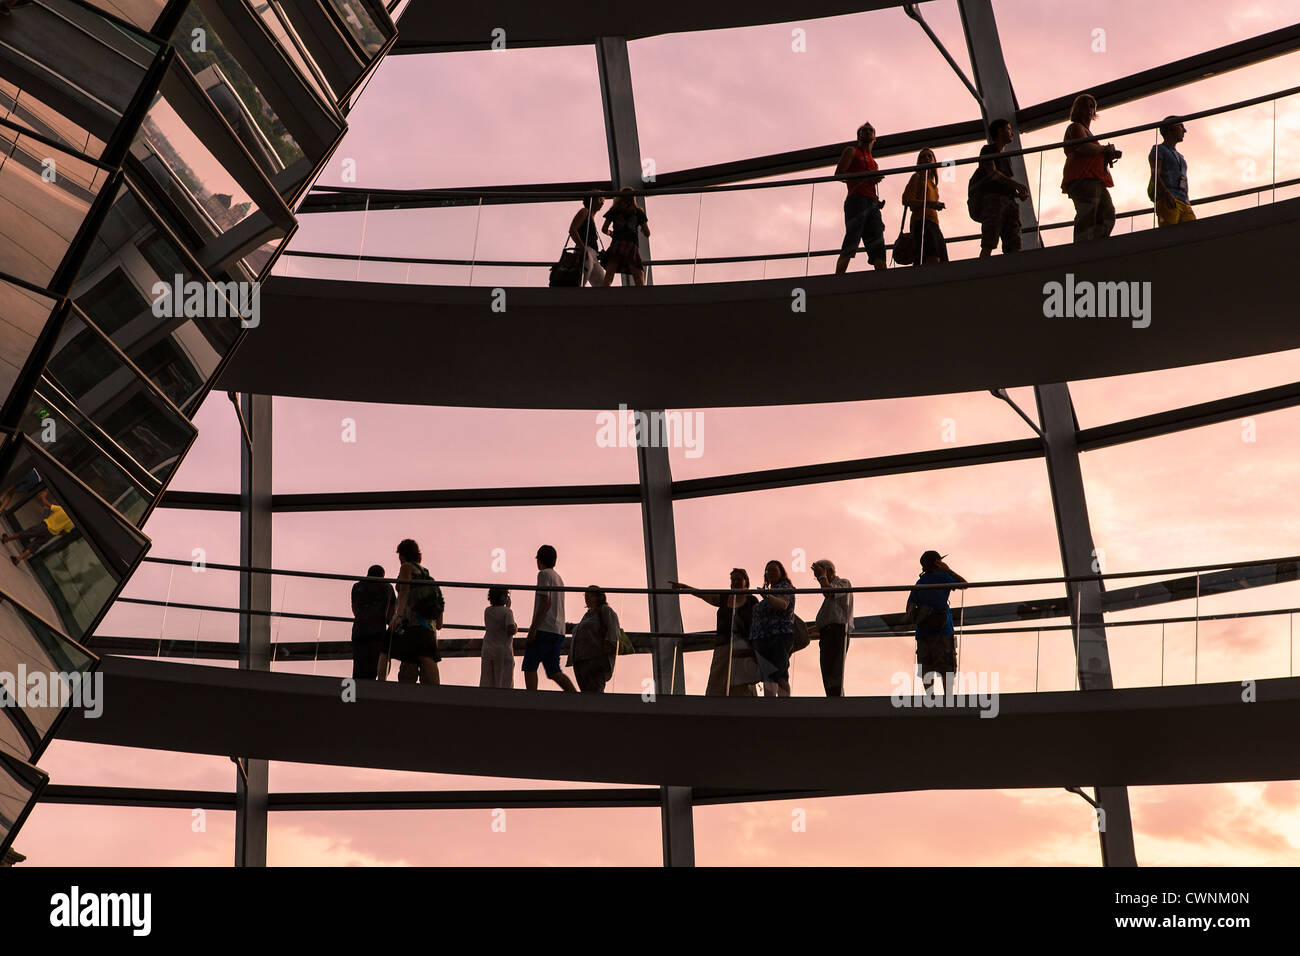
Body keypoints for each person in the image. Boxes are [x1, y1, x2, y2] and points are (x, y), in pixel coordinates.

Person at [671, 569, 759, 697]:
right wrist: (685, 588)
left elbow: (760, 620)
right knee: (718, 677)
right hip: (723, 644)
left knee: (743, 680)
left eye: (739, 579)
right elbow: (703, 594)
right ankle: (714, 705)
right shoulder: (724, 597)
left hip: (744, 646)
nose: (735, 582)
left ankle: (746, 706)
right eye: (733, 580)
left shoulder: (751, 600)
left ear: (746, 582)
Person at [905, 550, 967, 696]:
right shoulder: (943, 577)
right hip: (943, 631)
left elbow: (909, 608)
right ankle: (948, 700)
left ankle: (930, 700)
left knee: (926, 668)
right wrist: (948, 570)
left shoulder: (919, 583)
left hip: (923, 632)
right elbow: (964, 584)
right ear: (937, 563)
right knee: (947, 668)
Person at [1061, 93, 1120, 242]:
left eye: (1091, 106)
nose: (1089, 109)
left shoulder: (1087, 132)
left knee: (1107, 213)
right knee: (1088, 213)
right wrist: (1104, 150)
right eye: (1084, 106)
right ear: (1077, 110)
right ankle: (1083, 247)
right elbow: (1082, 147)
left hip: (1094, 178)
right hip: (1083, 178)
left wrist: (1106, 154)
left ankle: (1094, 242)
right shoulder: (1075, 127)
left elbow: (1088, 149)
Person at [970, 118, 1030, 257]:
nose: (1012, 133)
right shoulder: (988, 150)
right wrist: (1017, 186)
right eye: (1008, 129)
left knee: (1013, 241)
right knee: (990, 239)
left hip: (1007, 201)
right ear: (999, 131)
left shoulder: (1005, 157)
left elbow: (1001, 182)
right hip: (993, 202)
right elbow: (992, 173)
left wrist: (1016, 194)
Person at [523, 544, 578, 692]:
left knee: (529, 665)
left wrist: (533, 629)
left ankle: (531, 700)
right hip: (558, 630)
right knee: (554, 670)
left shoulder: (543, 575)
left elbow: (545, 602)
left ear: (539, 560)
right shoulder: (559, 578)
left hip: (544, 628)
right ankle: (575, 696)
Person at [835, 122, 887, 274]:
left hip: (871, 203)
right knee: (852, 239)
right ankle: (837, 279)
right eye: (864, 130)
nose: (868, 132)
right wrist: (866, 178)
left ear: (875, 138)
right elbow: (839, 174)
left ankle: (884, 281)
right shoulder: (851, 151)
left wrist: (877, 201)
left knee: (878, 243)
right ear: (859, 136)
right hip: (856, 200)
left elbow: (868, 182)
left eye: (871, 130)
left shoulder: (874, 163)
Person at [390, 538, 443, 685]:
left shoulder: (406, 567)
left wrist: (398, 616)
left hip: (411, 623)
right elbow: (439, 610)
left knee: (408, 663)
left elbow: (404, 591)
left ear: (402, 554)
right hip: (429, 628)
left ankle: (406, 701)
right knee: (428, 659)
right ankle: (434, 698)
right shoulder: (429, 578)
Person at [750, 560, 796, 697]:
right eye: (768, 570)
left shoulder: (784, 587)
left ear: (781, 572)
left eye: (774, 570)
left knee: (779, 673)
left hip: (778, 637)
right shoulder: (771, 592)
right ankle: (771, 705)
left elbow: (783, 605)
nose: (770, 572)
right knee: (769, 674)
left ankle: (782, 706)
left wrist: (766, 596)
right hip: (763, 638)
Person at [810, 559, 854, 697]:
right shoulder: (828, 602)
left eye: (819, 574)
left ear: (829, 571)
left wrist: (822, 578)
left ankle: (838, 704)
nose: (818, 579)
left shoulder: (844, 583)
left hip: (838, 633)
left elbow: (829, 592)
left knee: (835, 672)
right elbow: (823, 621)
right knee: (827, 671)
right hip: (827, 635)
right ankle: (833, 700)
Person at [567, 586, 621, 693]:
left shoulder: (605, 610)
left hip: (595, 659)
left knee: (595, 693)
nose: (586, 598)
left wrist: (609, 643)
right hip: (580, 660)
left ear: (598, 597)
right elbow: (579, 628)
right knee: (586, 693)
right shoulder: (587, 615)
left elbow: (613, 628)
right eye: (585, 595)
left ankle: (598, 709)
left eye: (590, 595)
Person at [901, 148, 948, 265]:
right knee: (931, 258)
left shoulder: (933, 184)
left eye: (929, 156)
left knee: (940, 259)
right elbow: (906, 200)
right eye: (922, 157)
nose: (926, 159)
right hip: (921, 222)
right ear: (919, 162)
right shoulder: (917, 177)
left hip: (933, 223)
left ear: (934, 161)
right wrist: (930, 204)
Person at [2, 492, 72, 565]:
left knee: (25, 533)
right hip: (50, 534)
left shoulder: (61, 510)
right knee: (34, 546)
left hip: (44, 526)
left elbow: (47, 504)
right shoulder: (71, 521)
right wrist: (56, 532)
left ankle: (6, 539)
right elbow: (65, 532)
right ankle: (18, 559)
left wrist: (42, 497)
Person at [350, 565, 394, 680]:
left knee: (358, 668)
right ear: (383, 576)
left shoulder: (357, 586)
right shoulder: (388, 587)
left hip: (359, 630)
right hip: (378, 632)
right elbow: (391, 615)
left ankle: (356, 694)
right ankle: (371, 694)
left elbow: (354, 608)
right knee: (375, 669)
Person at [1149, 117, 1194, 228]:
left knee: (1192, 232)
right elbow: (1155, 174)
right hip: (1169, 199)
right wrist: (1166, 194)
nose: (1184, 130)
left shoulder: (1181, 157)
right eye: (1181, 126)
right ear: (1170, 129)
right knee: (1170, 234)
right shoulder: (1159, 149)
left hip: (1184, 201)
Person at [600, 188, 650, 287]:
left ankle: (604, 295)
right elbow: (647, 233)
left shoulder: (614, 210)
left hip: (617, 244)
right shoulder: (638, 212)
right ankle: (642, 297)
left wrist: (611, 233)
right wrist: (641, 230)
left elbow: (604, 229)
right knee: (638, 274)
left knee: (610, 273)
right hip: (631, 245)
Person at [481, 586, 517, 689]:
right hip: (503, 651)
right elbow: (510, 630)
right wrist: (516, 627)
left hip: (488, 649)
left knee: (488, 681)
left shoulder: (487, 611)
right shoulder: (507, 612)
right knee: (504, 683)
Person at [569, 193, 606, 286]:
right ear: (592, 200)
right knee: (580, 282)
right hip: (586, 251)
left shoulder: (591, 217)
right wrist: (583, 249)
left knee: (603, 284)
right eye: (600, 200)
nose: (602, 203)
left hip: (592, 254)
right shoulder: (585, 211)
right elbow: (572, 230)